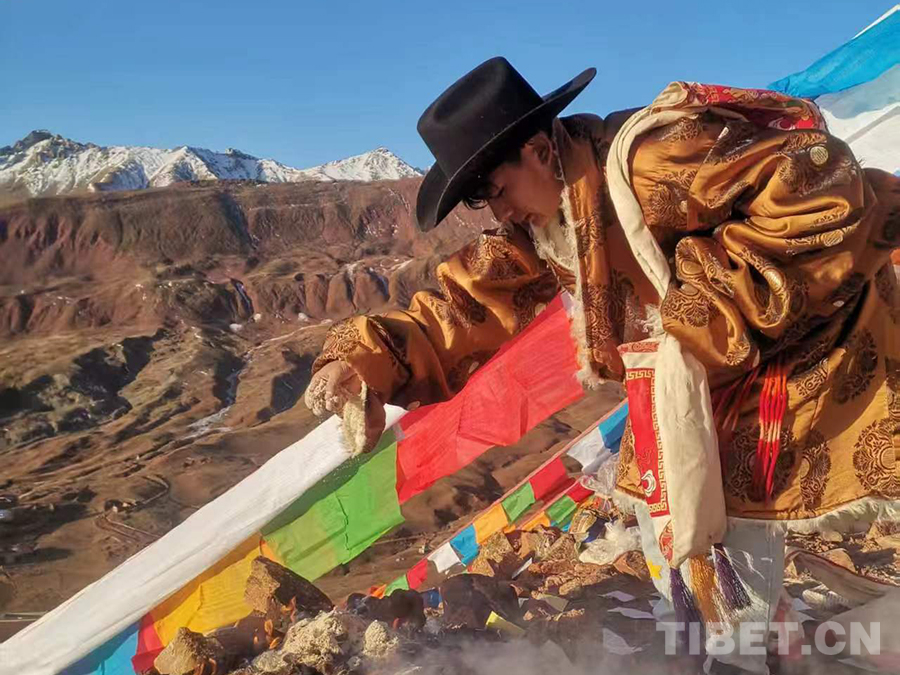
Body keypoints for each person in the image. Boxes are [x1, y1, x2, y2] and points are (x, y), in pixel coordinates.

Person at [305, 58, 900, 673]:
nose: (500, 215)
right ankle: (754, 647)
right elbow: (467, 302)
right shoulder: (549, 214)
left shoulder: (656, 156)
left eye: (498, 192)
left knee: (728, 510)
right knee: (668, 510)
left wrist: (703, 306)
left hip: (820, 342)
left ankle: (747, 650)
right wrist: (365, 361)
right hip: (701, 374)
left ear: (540, 150)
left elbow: (820, 177)